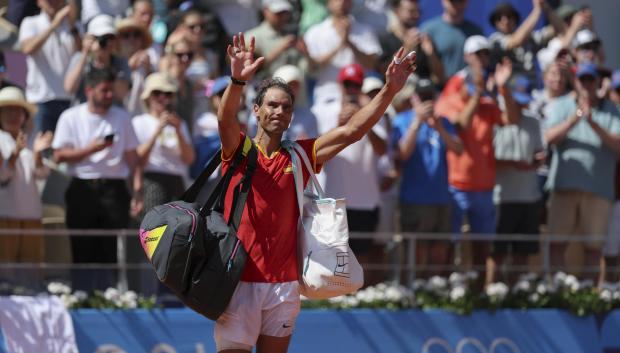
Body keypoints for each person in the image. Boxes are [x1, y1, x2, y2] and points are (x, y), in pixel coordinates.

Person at [213, 33, 415, 353]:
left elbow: (352, 131)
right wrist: (237, 79)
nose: (279, 111)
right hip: (237, 283)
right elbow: (224, 118)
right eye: (272, 105)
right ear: (256, 110)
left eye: (286, 106)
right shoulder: (238, 150)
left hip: (283, 287)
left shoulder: (301, 155)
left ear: (292, 115)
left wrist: (390, 89)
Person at [435, 35, 519, 286]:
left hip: (484, 187)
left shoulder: (486, 101)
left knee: (483, 248)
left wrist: (502, 88)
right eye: (477, 55)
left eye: (485, 55)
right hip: (456, 185)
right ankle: (445, 291)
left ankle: (481, 294)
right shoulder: (450, 99)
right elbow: (459, 125)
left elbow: (512, 119)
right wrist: (476, 94)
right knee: (451, 246)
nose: (481, 60)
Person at [52, 67, 143, 291]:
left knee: (111, 249)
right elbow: (59, 155)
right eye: (104, 90)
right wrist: (92, 149)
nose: (109, 95)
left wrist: (138, 191)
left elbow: (133, 158)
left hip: (114, 189)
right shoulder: (70, 116)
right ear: (89, 90)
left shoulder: (122, 117)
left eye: (111, 90)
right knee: (82, 247)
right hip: (81, 187)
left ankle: (109, 297)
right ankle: (82, 297)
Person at [544, 63, 620, 286]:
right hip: (563, 187)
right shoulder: (560, 105)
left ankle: (587, 294)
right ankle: (560, 291)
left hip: (599, 190)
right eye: (582, 80)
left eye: (590, 80)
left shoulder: (613, 110)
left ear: (597, 83)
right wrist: (574, 120)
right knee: (557, 243)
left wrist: (592, 122)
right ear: (575, 82)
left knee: (594, 248)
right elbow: (549, 138)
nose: (586, 84)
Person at [313, 63, 388, 271]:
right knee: (333, 257)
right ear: (340, 85)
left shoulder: (374, 112)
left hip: (365, 200)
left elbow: (382, 149)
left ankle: (358, 300)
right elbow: (316, 154)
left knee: (362, 257)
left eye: (355, 85)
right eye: (348, 84)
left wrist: (363, 125)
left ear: (361, 85)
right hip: (334, 199)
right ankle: (336, 303)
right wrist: (339, 126)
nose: (351, 89)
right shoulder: (325, 111)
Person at [392, 78, 463, 277]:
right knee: (416, 250)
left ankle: (433, 290)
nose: (426, 102)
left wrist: (439, 127)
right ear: (414, 98)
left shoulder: (444, 122)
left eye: (429, 97)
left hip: (441, 198)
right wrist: (417, 122)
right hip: (414, 199)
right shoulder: (403, 120)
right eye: (422, 97)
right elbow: (403, 153)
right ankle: (412, 291)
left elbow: (458, 149)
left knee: (439, 251)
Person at [488, 75, 545, 284]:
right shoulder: (495, 120)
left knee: (523, 254)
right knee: (496, 253)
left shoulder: (533, 121)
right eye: (517, 100)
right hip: (501, 198)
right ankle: (492, 296)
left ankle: (518, 298)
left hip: (529, 198)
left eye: (524, 100)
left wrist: (539, 159)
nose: (521, 105)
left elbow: (539, 152)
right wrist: (514, 164)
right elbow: (487, 160)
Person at [0, 87, 52, 289]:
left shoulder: (31, 141)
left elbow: (41, 173)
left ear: (24, 115)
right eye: (7, 110)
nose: (13, 115)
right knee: (5, 278)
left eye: (17, 110)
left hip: (31, 216)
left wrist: (38, 153)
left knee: (30, 279)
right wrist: (15, 153)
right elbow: (3, 175)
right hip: (5, 216)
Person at [132, 72, 195, 217]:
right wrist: (157, 131)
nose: (162, 98)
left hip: (177, 182)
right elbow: (137, 159)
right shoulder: (139, 122)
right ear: (148, 96)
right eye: (157, 93)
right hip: (153, 180)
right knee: (155, 232)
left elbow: (189, 159)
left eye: (167, 94)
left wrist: (178, 131)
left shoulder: (180, 123)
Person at [304, 0, 382, 104]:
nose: (341, 3)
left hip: (359, 95)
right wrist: (340, 44)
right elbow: (313, 67)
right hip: (327, 96)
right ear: (328, 3)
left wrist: (349, 42)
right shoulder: (314, 33)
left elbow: (371, 65)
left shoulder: (366, 31)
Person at [18, 0, 77, 135]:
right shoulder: (30, 22)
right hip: (41, 99)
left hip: (69, 100)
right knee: (42, 147)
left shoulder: (72, 24)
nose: (53, 2)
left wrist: (72, 24)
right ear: (39, 2)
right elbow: (27, 48)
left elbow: (80, 51)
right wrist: (54, 25)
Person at [488, 0, 564, 84]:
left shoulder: (529, 37)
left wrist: (546, 7)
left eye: (509, 16)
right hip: (509, 90)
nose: (505, 21)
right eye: (499, 18)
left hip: (533, 89)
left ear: (515, 19)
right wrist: (537, 10)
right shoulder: (494, 40)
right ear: (495, 23)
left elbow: (560, 30)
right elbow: (515, 42)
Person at [64, 14, 132, 105]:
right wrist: (85, 53)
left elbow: (122, 94)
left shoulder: (120, 62)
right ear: (90, 39)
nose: (107, 42)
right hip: (83, 115)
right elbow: (69, 88)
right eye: (102, 38)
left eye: (111, 37)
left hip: (112, 114)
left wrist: (106, 64)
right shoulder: (79, 59)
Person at [379, 0, 444, 84]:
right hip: (397, 94)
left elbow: (439, 77)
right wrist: (406, 48)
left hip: (423, 92)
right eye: (411, 11)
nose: (416, 15)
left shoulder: (426, 40)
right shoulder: (386, 40)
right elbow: (384, 72)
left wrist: (431, 55)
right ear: (397, 11)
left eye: (418, 11)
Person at [245, 0, 310, 83]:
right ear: (265, 11)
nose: (282, 16)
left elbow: (306, 70)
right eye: (278, 12)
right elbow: (249, 71)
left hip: (293, 90)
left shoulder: (292, 36)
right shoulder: (252, 36)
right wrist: (279, 50)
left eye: (284, 12)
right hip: (263, 90)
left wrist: (306, 54)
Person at [420, 0, 482, 81]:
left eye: (460, 1)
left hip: (469, 90)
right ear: (443, 1)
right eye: (452, 1)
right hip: (438, 90)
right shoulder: (428, 30)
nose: (457, 4)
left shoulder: (476, 32)